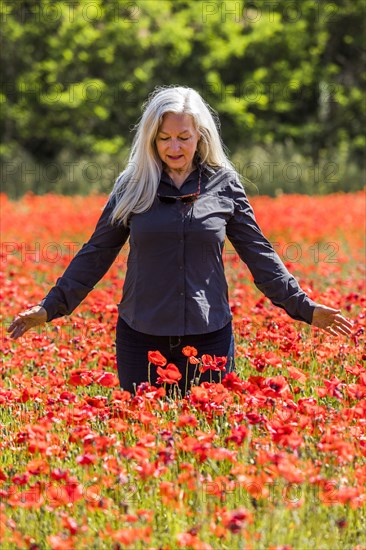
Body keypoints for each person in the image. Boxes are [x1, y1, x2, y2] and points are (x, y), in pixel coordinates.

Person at [7, 86, 353, 396]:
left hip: (209, 336)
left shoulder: (225, 185)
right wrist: (50, 306)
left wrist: (303, 307)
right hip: (140, 337)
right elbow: (96, 253)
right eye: (164, 138)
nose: (174, 147)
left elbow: (259, 255)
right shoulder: (133, 186)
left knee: (207, 441)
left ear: (200, 136)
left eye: (183, 137)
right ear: (151, 139)